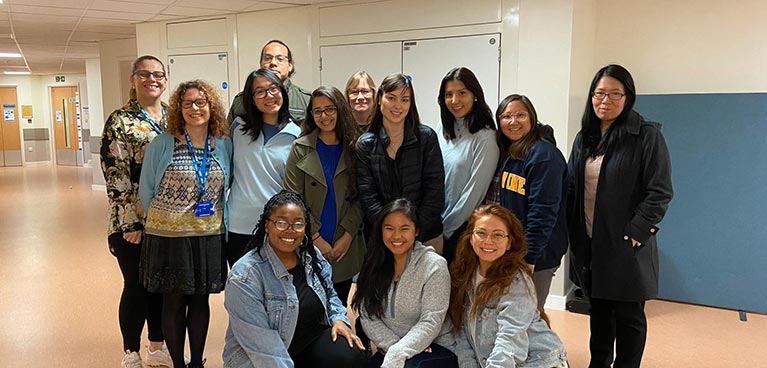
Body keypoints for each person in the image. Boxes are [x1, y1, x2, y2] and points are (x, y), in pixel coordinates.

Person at [567, 64, 673, 368]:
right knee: (599, 315)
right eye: (599, 93)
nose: (605, 100)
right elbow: (573, 188)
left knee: (629, 318)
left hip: (626, 244)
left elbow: (660, 191)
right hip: (590, 243)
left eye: (615, 94)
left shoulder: (646, 136)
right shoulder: (584, 138)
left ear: (628, 97)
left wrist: (636, 234)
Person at [139, 79, 232, 368]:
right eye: (188, 103)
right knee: (174, 302)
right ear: (179, 108)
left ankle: (196, 364)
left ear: (211, 107)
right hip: (168, 236)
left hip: (207, 234)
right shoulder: (162, 143)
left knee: (200, 301)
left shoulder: (224, 145)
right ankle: (178, 363)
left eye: (201, 102)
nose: (194, 108)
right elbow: (146, 190)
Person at [223, 190, 367, 368]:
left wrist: (338, 318)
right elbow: (263, 348)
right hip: (260, 358)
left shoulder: (312, 258)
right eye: (281, 223)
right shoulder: (244, 276)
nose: (290, 230)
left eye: (298, 224)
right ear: (267, 225)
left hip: (306, 342)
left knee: (350, 354)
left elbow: (330, 295)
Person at [100, 55, 174, 368]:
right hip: (132, 224)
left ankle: (157, 348)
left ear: (165, 80)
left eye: (158, 74)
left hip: (171, 222)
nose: (151, 79)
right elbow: (116, 174)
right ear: (133, 80)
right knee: (137, 286)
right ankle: (131, 352)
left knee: (162, 287)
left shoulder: (175, 118)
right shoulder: (121, 121)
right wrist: (134, 222)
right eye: (144, 74)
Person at [447, 204, 568, 368]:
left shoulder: (516, 281)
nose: (488, 241)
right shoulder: (464, 274)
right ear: (470, 237)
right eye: (481, 233)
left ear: (509, 242)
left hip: (538, 362)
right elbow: (461, 334)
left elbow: (509, 342)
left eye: (498, 235)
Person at [284, 86, 366, 307]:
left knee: (338, 305)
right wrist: (316, 238)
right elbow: (293, 199)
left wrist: (347, 236)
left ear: (340, 110)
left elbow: (362, 196)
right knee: (310, 307)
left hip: (344, 244)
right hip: (309, 241)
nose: (324, 116)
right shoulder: (300, 148)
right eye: (317, 111)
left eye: (330, 109)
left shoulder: (357, 147)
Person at [352, 199, 457, 368]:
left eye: (404, 229)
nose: (396, 236)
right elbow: (367, 314)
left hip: (433, 346)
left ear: (416, 231)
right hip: (392, 347)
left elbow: (431, 321)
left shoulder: (434, 265)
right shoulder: (375, 261)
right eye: (389, 229)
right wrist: (396, 349)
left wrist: (401, 351)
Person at [488, 94, 569, 308]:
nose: (513, 122)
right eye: (506, 116)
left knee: (528, 318)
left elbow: (543, 211)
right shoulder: (511, 154)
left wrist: (530, 256)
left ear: (532, 118)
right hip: (512, 250)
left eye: (520, 115)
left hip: (535, 256)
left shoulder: (544, 156)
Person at [355, 73, 445, 250]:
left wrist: (412, 231)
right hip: (384, 238)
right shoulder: (365, 144)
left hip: (425, 236)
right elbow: (367, 196)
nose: (398, 105)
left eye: (404, 99)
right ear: (379, 99)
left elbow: (434, 192)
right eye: (391, 98)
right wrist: (391, 230)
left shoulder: (426, 138)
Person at [226, 68, 301, 266]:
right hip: (239, 225)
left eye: (273, 88)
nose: (268, 96)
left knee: (277, 290)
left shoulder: (296, 134)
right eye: (259, 91)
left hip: (277, 226)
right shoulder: (238, 128)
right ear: (251, 98)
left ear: (282, 91)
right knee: (241, 289)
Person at [436, 67, 499, 265]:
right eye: (448, 94)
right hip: (436, 226)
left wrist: (446, 228)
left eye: (462, 93)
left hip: (461, 230)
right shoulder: (441, 129)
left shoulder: (486, 136)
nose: (455, 100)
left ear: (475, 95)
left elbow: (474, 193)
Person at [228, 40, 311, 123]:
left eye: (280, 59)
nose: (273, 63)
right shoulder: (242, 100)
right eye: (267, 58)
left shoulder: (306, 100)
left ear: (290, 66)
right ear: (261, 65)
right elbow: (226, 133)